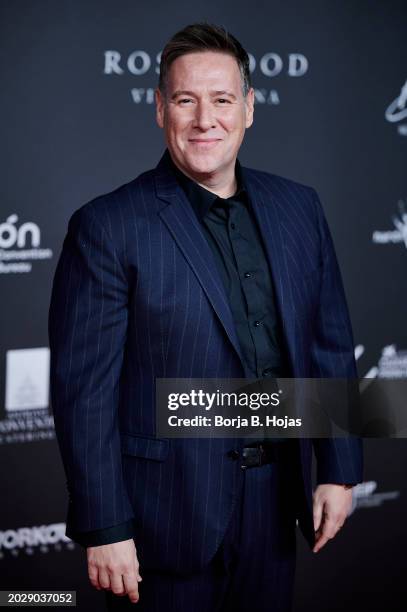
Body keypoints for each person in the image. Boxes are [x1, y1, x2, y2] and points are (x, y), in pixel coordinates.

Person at [48, 22, 363, 612]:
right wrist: (105, 526)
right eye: (185, 100)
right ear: (160, 108)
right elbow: (82, 394)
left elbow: (329, 342)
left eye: (221, 100)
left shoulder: (300, 207)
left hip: (276, 504)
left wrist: (340, 469)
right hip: (162, 517)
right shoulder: (108, 225)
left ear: (248, 109)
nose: (204, 119)